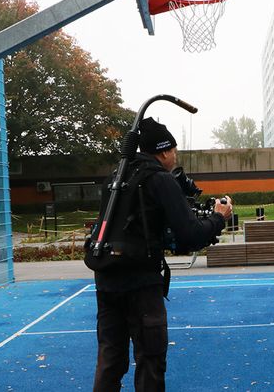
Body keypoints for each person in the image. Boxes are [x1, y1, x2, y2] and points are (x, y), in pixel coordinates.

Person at [89, 118, 233, 391]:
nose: (175, 157)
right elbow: (190, 234)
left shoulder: (116, 178)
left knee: (110, 358)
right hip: (141, 283)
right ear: (165, 151)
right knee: (150, 359)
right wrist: (218, 218)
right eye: (174, 152)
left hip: (106, 279)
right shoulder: (159, 180)